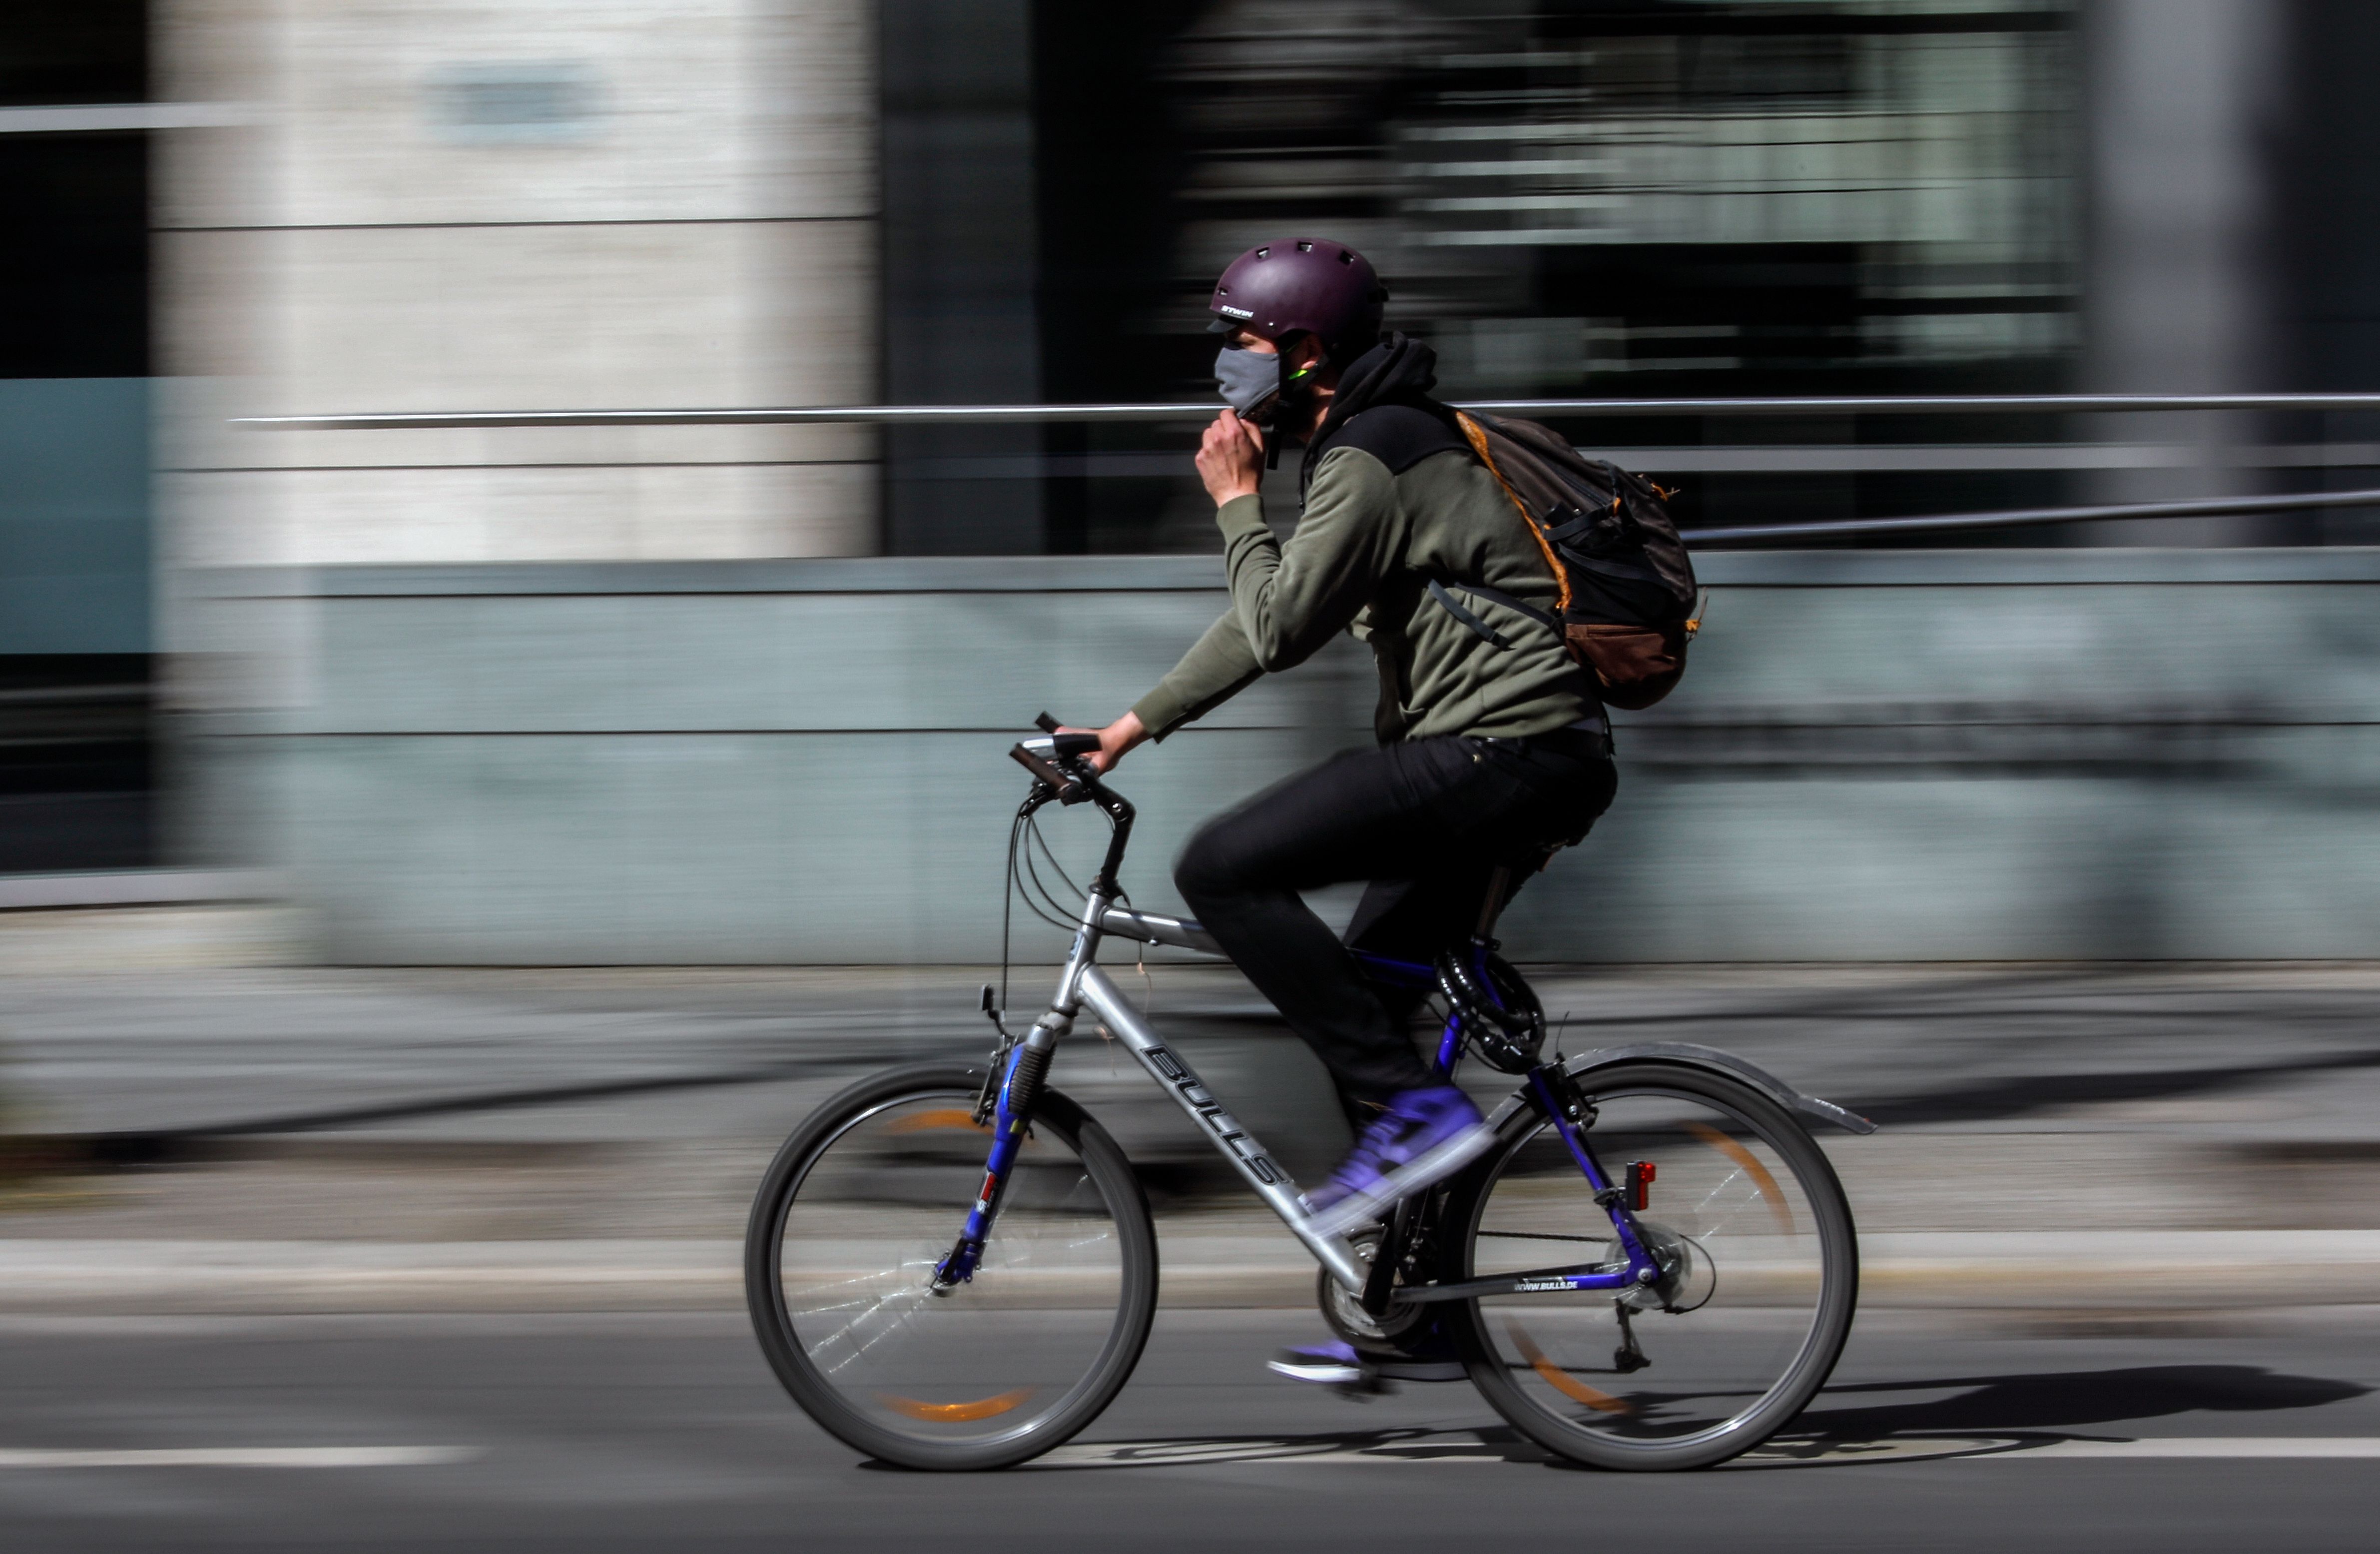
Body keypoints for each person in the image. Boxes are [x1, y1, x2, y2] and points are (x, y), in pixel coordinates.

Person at [1063, 237, 1618, 1383]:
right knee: (1371, 999)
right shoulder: (1374, 440)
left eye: (1244, 340)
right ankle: (1421, 1309)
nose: (1225, 363)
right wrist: (1127, 728)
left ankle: (1413, 1125)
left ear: (1307, 352)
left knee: (1223, 867)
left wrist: (1231, 504)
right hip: (1524, 755)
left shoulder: (1375, 452)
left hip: (1500, 751)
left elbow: (1274, 627)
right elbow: (1270, 618)